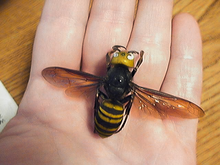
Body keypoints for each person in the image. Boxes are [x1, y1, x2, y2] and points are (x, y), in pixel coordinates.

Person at [0, 0, 203, 164]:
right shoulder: (132, 86)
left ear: (110, 67)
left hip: (106, 114)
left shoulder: (101, 79)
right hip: (113, 118)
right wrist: (138, 61)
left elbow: (62, 76)